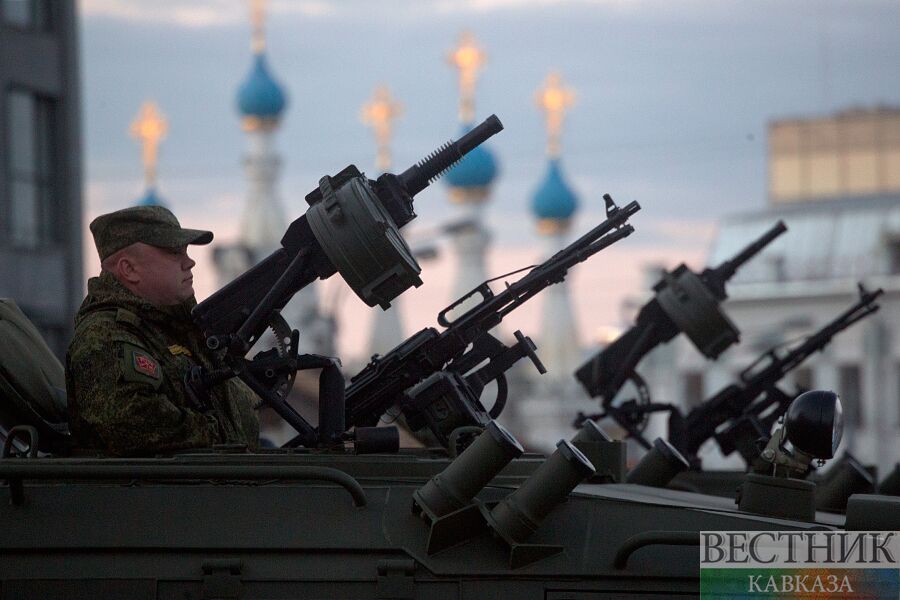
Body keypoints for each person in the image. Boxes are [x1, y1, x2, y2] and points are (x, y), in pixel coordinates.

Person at [66, 206, 259, 456]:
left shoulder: (176, 328)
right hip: (161, 482)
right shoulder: (104, 336)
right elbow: (132, 424)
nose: (189, 262)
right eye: (174, 253)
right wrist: (220, 432)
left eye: (186, 251)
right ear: (129, 269)